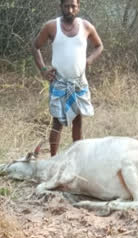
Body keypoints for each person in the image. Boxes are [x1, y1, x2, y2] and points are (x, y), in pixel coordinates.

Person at [32, 0, 103, 156]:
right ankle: (53, 159)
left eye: (73, 6)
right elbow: (35, 46)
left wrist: (89, 60)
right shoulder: (51, 26)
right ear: (61, 7)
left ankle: (77, 159)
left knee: (78, 121)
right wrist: (43, 70)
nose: (69, 9)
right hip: (59, 82)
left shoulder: (86, 26)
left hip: (78, 83)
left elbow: (99, 46)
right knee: (57, 122)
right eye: (66, 6)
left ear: (78, 8)